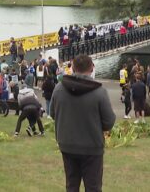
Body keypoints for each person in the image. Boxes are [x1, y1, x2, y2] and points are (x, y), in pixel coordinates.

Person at [50, 54, 116, 192]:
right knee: (93, 187)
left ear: (72, 68)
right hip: (91, 146)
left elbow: (53, 114)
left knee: (71, 185)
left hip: (67, 143)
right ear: (92, 68)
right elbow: (109, 121)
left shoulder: (59, 88)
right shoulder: (99, 92)